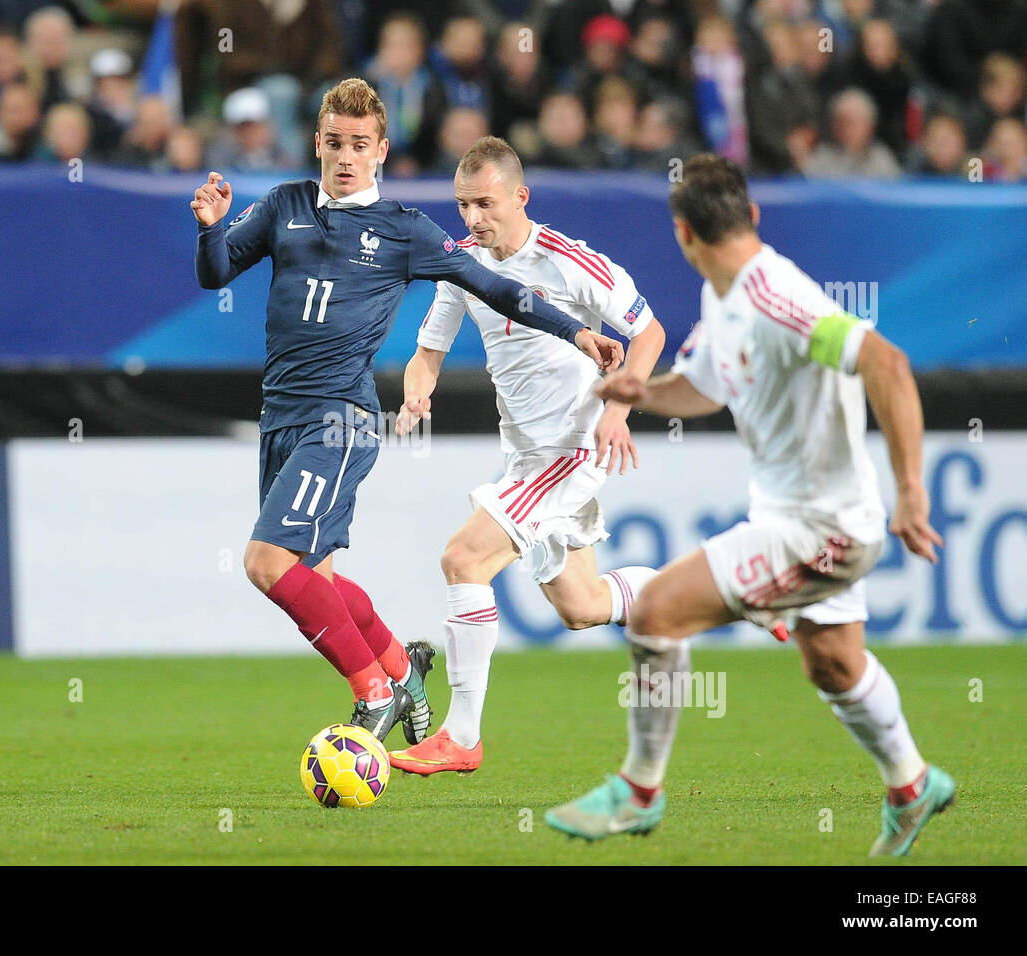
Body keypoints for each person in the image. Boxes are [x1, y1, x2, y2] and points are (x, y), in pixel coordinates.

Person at [190, 77, 626, 744]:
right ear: (316, 143)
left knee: (266, 562)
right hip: (280, 414)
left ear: (381, 150)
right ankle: (403, 669)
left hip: (337, 419)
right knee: (312, 576)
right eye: (333, 142)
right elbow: (216, 273)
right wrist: (211, 230)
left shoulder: (404, 231)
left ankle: (375, 693)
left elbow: (497, 288)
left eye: (358, 145)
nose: (344, 156)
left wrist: (576, 332)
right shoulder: (282, 206)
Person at [546, 154, 954, 858]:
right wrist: (642, 394)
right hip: (798, 518)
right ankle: (912, 784)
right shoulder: (725, 296)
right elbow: (704, 389)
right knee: (832, 662)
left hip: (822, 529)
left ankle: (639, 792)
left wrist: (911, 489)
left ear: (682, 234)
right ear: (752, 214)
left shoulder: (776, 297)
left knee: (655, 613)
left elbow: (885, 363)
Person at [388, 136, 665, 775]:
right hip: (525, 457)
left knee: (463, 558)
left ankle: (461, 737)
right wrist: (418, 385)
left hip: (574, 448)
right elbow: (430, 348)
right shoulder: (463, 264)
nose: (473, 218)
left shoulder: (570, 263)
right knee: (584, 605)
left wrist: (621, 410)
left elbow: (647, 332)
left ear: (521, 197)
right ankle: (726, 588)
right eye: (463, 205)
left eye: (485, 203)